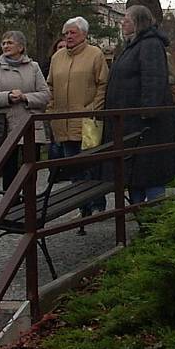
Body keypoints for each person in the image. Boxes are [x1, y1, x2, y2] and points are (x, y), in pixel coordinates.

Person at [104, 4, 175, 203]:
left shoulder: (150, 45)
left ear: (138, 22)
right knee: (134, 174)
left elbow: (153, 79)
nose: (122, 23)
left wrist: (148, 111)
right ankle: (138, 213)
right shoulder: (132, 46)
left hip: (146, 126)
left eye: (126, 20)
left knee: (149, 172)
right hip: (130, 123)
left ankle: (154, 218)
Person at [47, 16, 109, 218]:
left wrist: (92, 108)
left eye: (73, 32)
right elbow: (50, 86)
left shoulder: (95, 54)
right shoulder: (57, 58)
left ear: (84, 34)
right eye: (66, 32)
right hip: (62, 122)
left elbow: (103, 84)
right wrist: (51, 108)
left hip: (87, 121)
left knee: (90, 165)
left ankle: (97, 204)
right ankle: (82, 208)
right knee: (72, 167)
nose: (68, 36)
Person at [0, 30, 50, 192]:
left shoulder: (33, 67)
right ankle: (10, 208)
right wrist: (8, 96)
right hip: (7, 127)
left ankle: (30, 208)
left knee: (30, 171)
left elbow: (46, 95)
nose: (5, 46)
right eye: (3, 43)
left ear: (21, 47)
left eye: (9, 43)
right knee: (10, 172)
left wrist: (25, 97)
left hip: (31, 127)